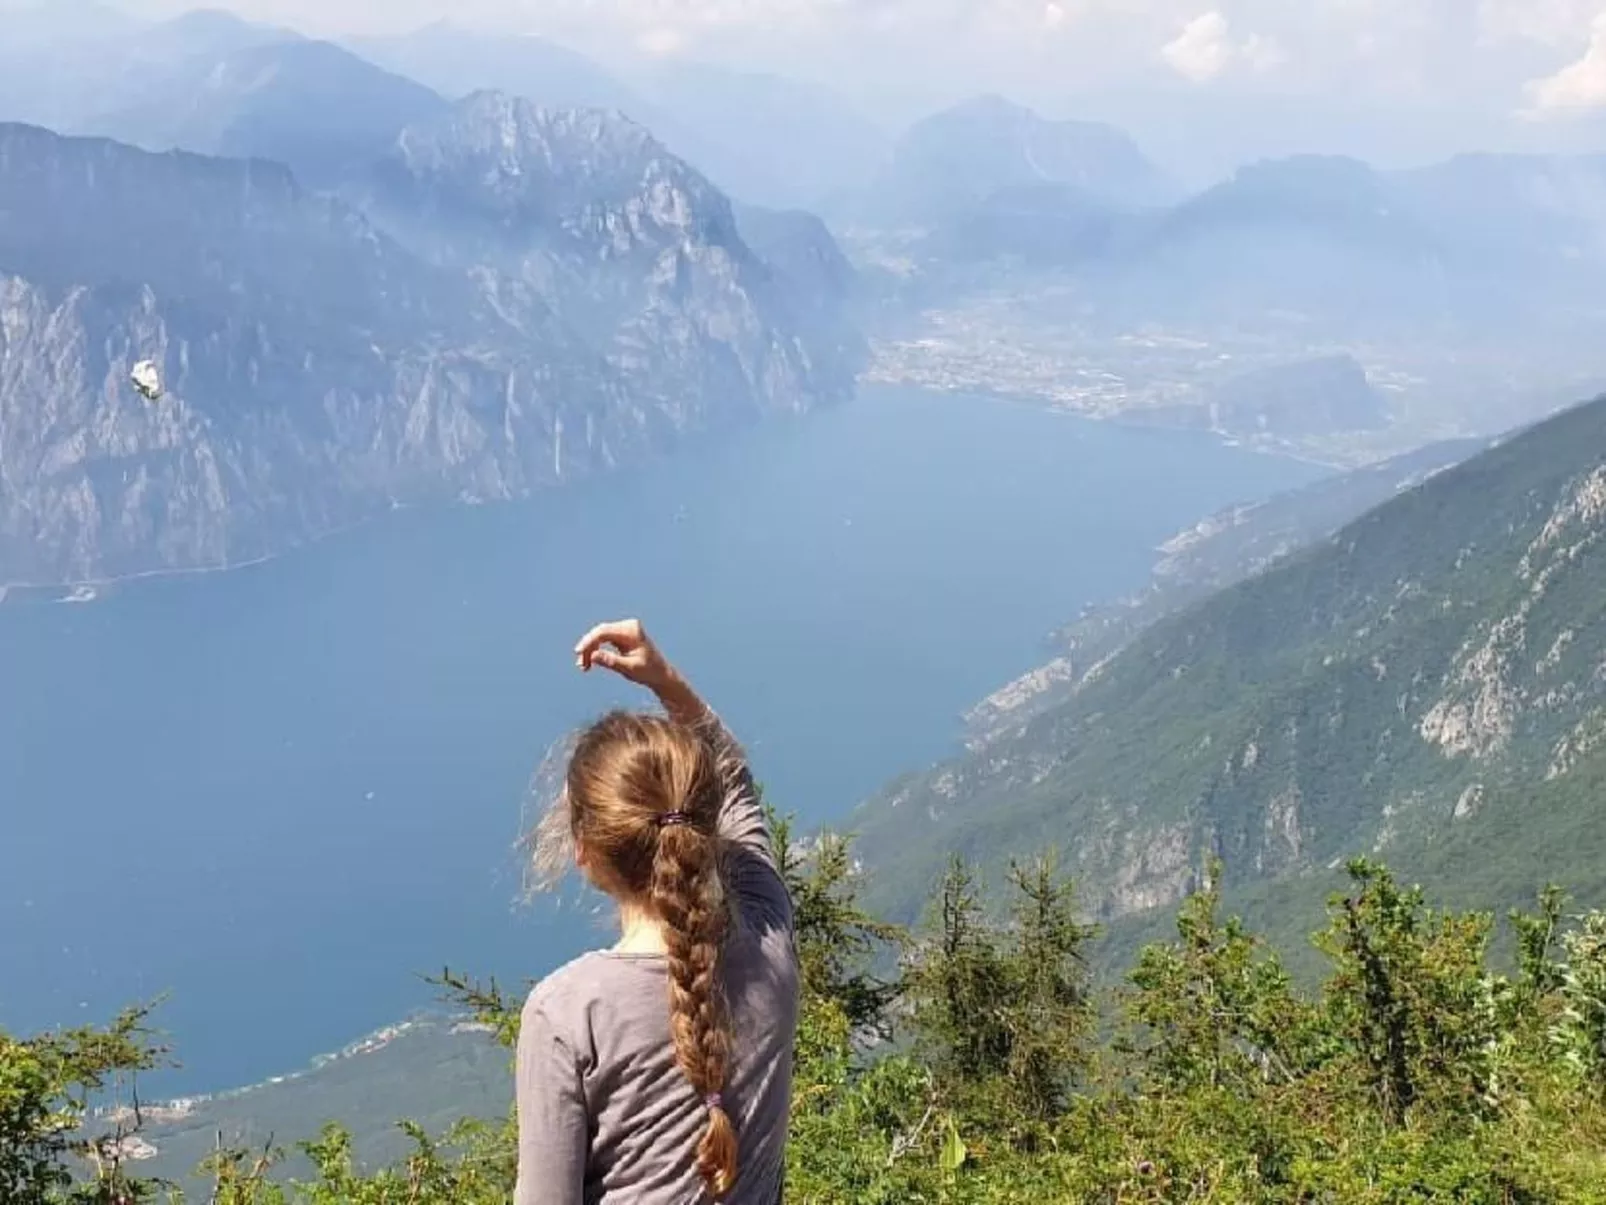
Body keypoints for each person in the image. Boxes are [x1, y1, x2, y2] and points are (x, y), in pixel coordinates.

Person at [515, 619, 800, 1204]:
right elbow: (736, 782)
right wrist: (666, 682)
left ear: (584, 852)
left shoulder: (570, 1014)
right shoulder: (768, 937)